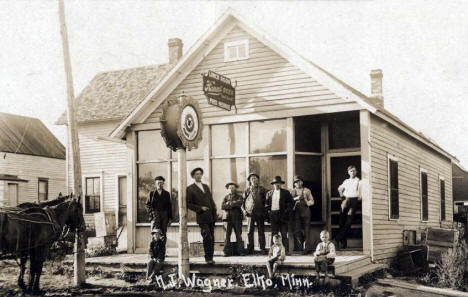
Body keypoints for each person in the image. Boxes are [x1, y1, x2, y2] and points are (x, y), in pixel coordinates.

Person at [186, 167, 217, 264]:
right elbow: (189, 204)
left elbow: (211, 201)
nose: (199, 176)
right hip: (202, 216)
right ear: (193, 176)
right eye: (196, 174)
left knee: (212, 237)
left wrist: (214, 212)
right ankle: (207, 258)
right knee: (207, 236)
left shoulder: (206, 186)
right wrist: (200, 208)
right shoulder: (190, 189)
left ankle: (211, 258)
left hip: (211, 216)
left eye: (200, 174)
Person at [145, 176, 172, 260]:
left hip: (164, 215)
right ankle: (153, 253)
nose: (160, 185)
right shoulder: (152, 194)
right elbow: (147, 205)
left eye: (161, 183)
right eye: (158, 183)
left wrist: (170, 218)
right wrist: (152, 214)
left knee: (163, 234)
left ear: (163, 183)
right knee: (155, 233)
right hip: (155, 215)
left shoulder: (166, 194)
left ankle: (162, 252)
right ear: (155, 184)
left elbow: (169, 206)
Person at [335, 165, 361, 250]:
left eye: (354, 171)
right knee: (341, 222)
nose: (352, 172)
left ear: (356, 172)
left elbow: (360, 193)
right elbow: (340, 188)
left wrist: (358, 199)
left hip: (354, 200)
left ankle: (337, 239)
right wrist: (342, 196)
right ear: (348, 172)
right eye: (350, 171)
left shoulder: (358, 181)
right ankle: (343, 243)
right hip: (345, 200)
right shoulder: (346, 181)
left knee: (349, 222)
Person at [266, 176, 293, 253]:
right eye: (275, 183)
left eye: (279, 183)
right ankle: (272, 251)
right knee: (274, 234)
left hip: (282, 215)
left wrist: (286, 212)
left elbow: (291, 203)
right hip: (273, 215)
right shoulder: (269, 193)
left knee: (284, 234)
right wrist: (269, 213)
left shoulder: (286, 193)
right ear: (273, 184)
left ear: (281, 184)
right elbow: (266, 205)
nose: (277, 185)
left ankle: (286, 251)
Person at [243, 173, 268, 254]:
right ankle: (250, 249)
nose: (254, 180)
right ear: (250, 180)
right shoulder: (247, 190)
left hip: (260, 214)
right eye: (252, 178)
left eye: (255, 178)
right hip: (250, 214)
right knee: (250, 232)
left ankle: (262, 248)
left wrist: (265, 211)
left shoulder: (262, 189)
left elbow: (266, 201)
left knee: (261, 231)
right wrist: (244, 211)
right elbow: (243, 203)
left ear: (258, 180)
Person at [291, 175, 314, 254]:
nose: (298, 183)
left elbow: (312, 201)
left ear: (302, 182)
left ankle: (306, 248)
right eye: (296, 182)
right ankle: (298, 248)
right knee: (297, 230)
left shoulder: (307, 190)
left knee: (306, 230)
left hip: (305, 211)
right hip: (296, 212)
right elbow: (289, 201)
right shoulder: (292, 191)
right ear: (294, 183)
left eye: (299, 181)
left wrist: (307, 202)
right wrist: (295, 199)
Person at [221, 182, 244, 256]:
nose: (231, 189)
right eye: (230, 188)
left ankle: (240, 251)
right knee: (227, 235)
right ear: (228, 189)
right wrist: (232, 204)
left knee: (238, 235)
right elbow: (222, 206)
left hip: (237, 218)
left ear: (235, 188)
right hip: (227, 219)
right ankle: (226, 251)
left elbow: (240, 203)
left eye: (233, 188)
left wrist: (229, 204)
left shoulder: (239, 196)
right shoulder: (225, 197)